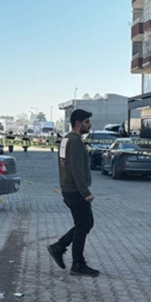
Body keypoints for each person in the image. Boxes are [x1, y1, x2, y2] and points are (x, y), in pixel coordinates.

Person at [47, 109, 99, 277]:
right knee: (83, 226)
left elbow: (65, 165)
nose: (89, 125)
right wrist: (85, 193)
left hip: (67, 188)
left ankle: (59, 247)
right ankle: (77, 263)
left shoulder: (65, 139)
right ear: (78, 123)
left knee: (85, 223)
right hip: (75, 191)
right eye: (87, 122)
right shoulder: (75, 141)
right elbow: (76, 169)